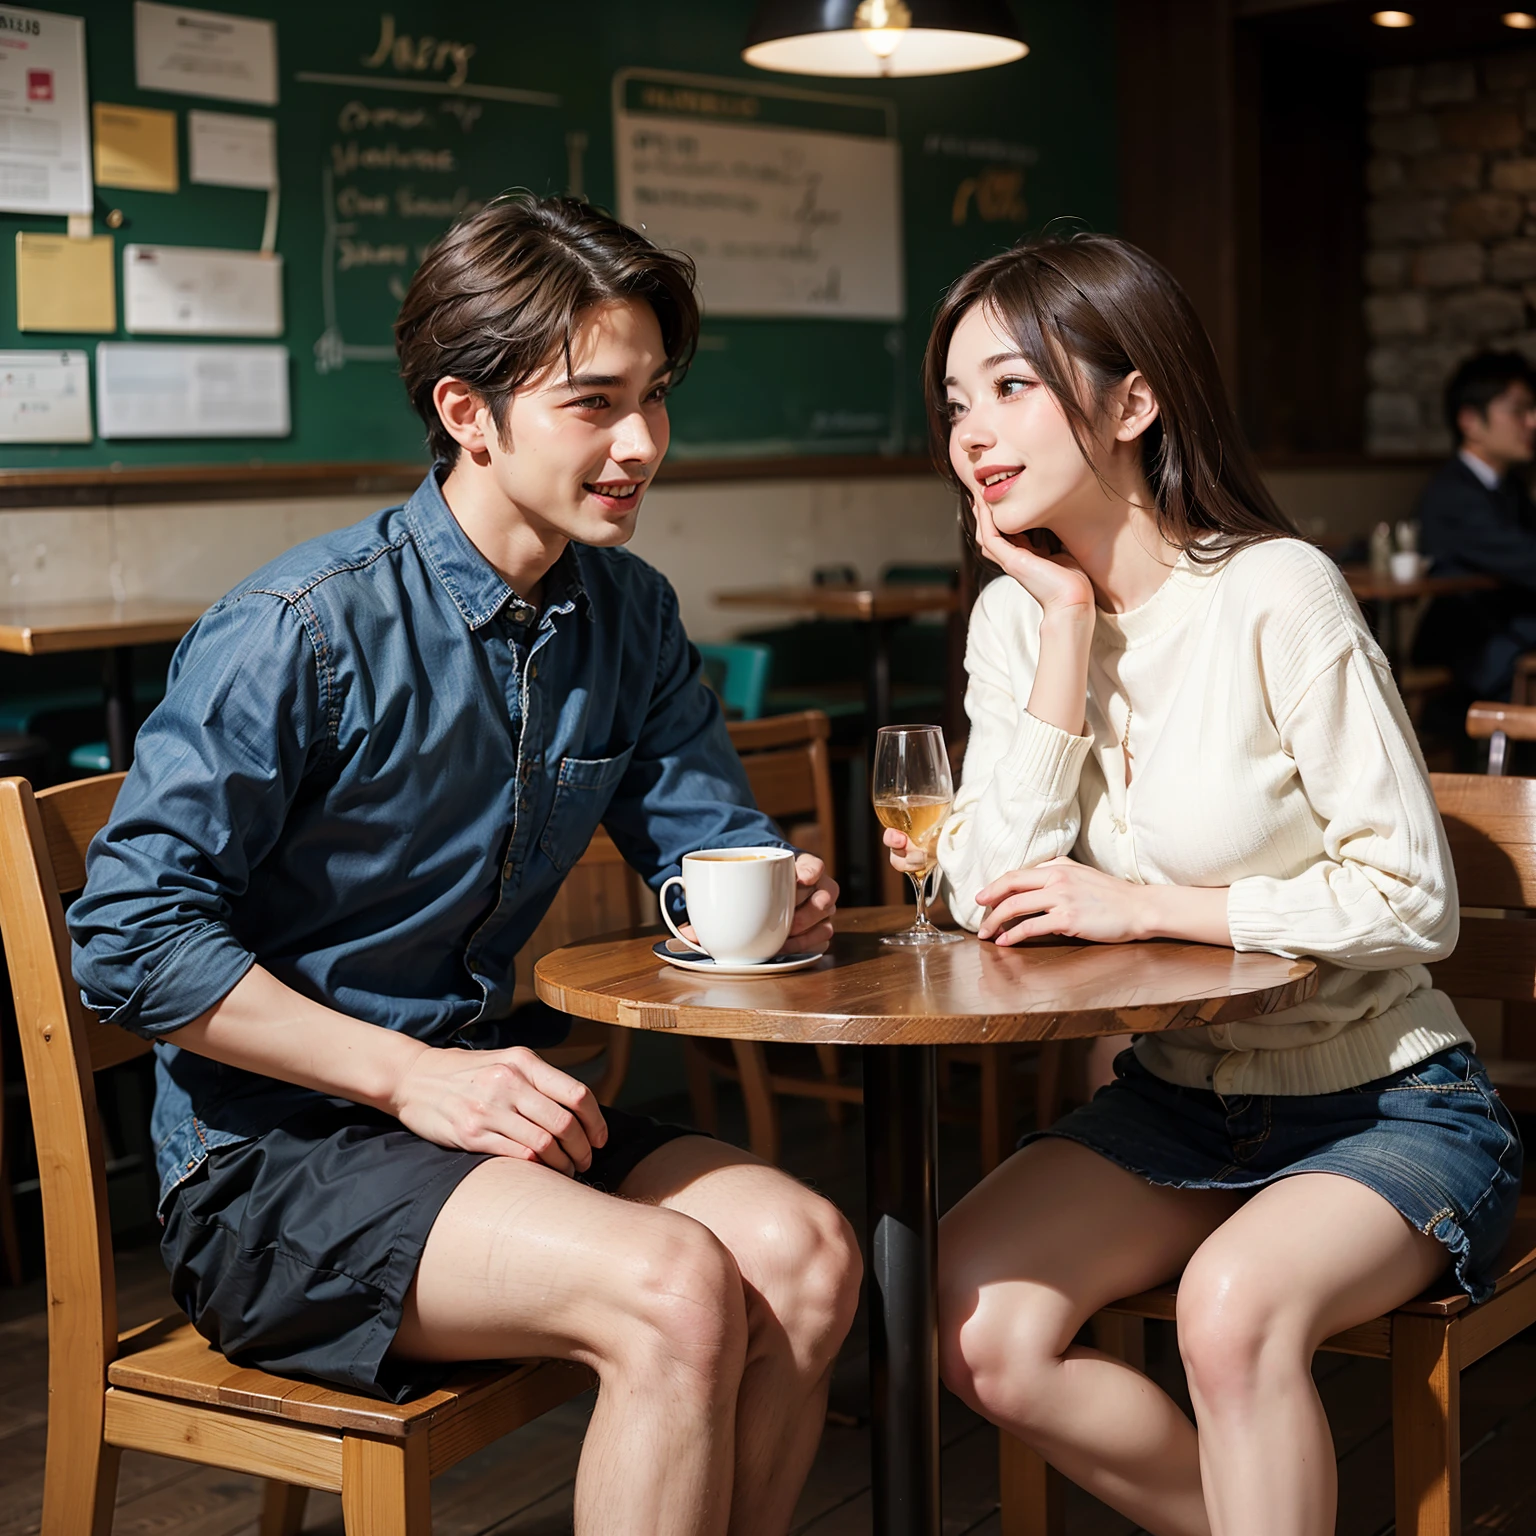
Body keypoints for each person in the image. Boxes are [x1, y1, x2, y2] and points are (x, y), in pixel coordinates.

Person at [68, 194, 861, 1536]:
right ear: (465, 412)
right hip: (273, 1171)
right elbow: (128, 939)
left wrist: (773, 891)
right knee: (676, 1286)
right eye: (594, 403)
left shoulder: (628, 614)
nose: (641, 444)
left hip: (492, 1120)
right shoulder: (301, 629)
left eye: (656, 399)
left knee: (807, 1254)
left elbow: (705, 837)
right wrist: (410, 1075)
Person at [883, 234, 1521, 1536]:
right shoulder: (1018, 616)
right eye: (954, 402)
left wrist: (1148, 908)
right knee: (968, 1314)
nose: (972, 433)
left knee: (1232, 1313)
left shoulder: (1279, 593)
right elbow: (983, 889)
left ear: (1133, 399)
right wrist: (1062, 625)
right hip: (1176, 1107)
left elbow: (1416, 901)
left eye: (1010, 388)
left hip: (1388, 1102)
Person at [1414, 349, 1536, 700]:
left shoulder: (1508, 486)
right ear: (1469, 420)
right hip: (1471, 649)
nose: (1531, 422)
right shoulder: (1453, 494)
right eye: (1518, 410)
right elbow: (1526, 558)